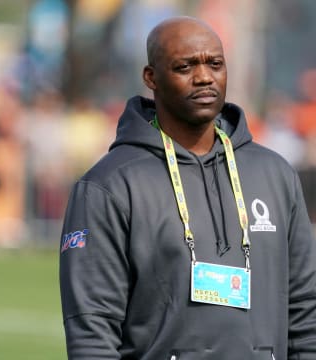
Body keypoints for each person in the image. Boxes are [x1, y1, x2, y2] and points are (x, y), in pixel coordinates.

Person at [59, 16, 316, 359]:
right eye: (185, 66)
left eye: (215, 64)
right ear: (151, 77)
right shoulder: (109, 185)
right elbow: (92, 331)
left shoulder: (274, 173)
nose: (204, 77)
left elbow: (305, 308)